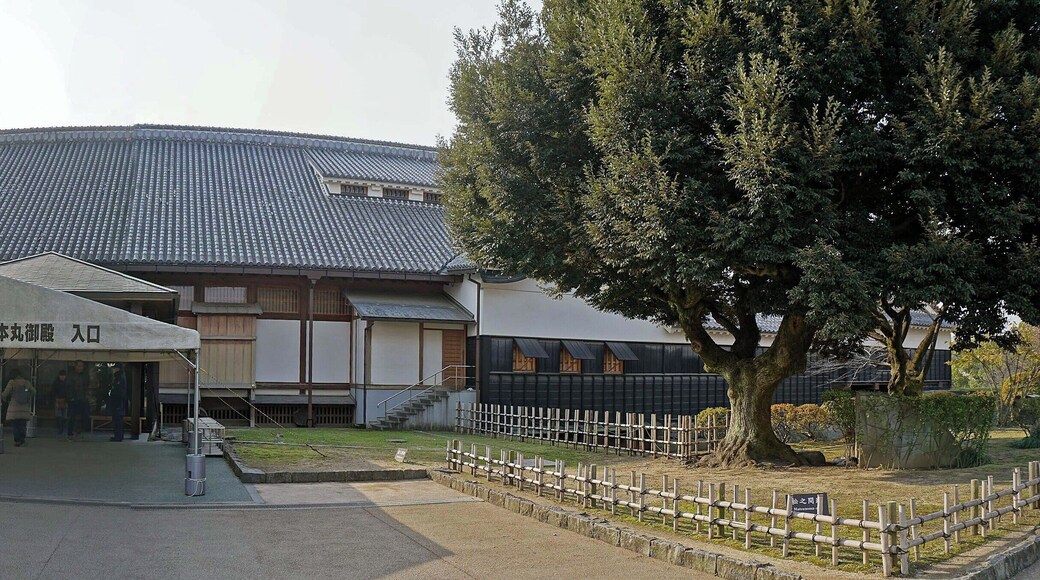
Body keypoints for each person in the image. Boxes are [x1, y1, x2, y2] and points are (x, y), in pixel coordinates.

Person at [2, 369, 36, 447]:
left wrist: (3, 396)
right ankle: (22, 439)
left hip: (14, 408)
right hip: (24, 408)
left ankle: (17, 440)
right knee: (23, 424)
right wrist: (27, 396)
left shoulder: (12, 382)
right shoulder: (26, 382)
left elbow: (5, 394)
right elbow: (34, 391)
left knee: (15, 425)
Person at [66, 361, 91, 441]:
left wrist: (86, 396)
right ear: (75, 366)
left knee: (83, 416)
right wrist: (71, 398)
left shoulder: (84, 376)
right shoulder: (71, 375)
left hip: (82, 398)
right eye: (79, 366)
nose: (80, 368)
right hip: (73, 399)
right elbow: (68, 387)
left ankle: (78, 433)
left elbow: (86, 386)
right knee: (72, 417)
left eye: (82, 366)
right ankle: (70, 434)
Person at [108, 365, 127, 442]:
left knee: (118, 420)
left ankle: (118, 436)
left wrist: (117, 402)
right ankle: (117, 436)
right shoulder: (119, 377)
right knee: (117, 420)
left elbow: (120, 391)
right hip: (117, 401)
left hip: (118, 402)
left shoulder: (120, 378)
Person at [52, 370, 69, 435]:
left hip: (65, 400)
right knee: (59, 415)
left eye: (63, 376)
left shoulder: (67, 383)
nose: (62, 377)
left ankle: (61, 427)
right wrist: (56, 399)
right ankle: (60, 428)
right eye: (61, 376)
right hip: (58, 400)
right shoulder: (56, 383)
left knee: (64, 416)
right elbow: (53, 392)